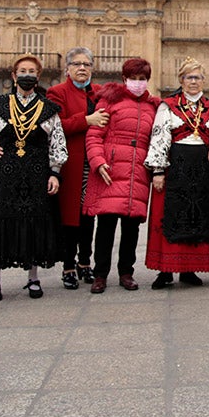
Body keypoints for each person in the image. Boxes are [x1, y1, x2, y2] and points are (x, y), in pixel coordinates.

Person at [0, 54, 67, 302]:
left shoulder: (49, 109)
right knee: (0, 224)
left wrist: (55, 173)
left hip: (36, 175)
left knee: (33, 224)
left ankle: (33, 278)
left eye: (32, 71)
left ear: (38, 76)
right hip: (4, 174)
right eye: (22, 71)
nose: (27, 75)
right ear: (13, 75)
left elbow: (57, 143)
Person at [83, 57, 159, 293]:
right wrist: (98, 162)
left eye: (142, 79)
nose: (138, 83)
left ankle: (126, 272)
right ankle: (100, 274)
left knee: (132, 227)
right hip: (111, 169)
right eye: (133, 79)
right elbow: (94, 134)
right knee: (105, 224)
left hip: (137, 170)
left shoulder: (152, 106)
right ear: (124, 79)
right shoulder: (109, 100)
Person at [144, 58, 209, 289]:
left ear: (203, 80)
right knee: (168, 216)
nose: (194, 82)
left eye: (197, 77)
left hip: (201, 167)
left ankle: (189, 270)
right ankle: (165, 271)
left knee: (197, 215)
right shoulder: (168, 106)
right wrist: (158, 171)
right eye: (189, 77)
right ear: (181, 80)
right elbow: (159, 137)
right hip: (174, 166)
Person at [47, 48, 107, 290]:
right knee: (70, 218)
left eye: (87, 64)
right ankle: (69, 265)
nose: (82, 68)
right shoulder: (57, 92)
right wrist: (86, 120)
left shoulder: (100, 93)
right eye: (77, 64)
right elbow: (54, 125)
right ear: (67, 69)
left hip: (92, 164)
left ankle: (85, 263)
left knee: (88, 216)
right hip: (71, 163)